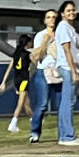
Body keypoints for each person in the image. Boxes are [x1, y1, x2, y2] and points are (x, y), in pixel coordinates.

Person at [53, 0, 79, 146]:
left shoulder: (69, 27)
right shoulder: (63, 27)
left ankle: (64, 135)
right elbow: (67, 50)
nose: (71, 12)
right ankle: (67, 136)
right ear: (62, 13)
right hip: (68, 68)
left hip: (70, 67)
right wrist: (74, 71)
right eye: (68, 11)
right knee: (68, 102)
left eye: (73, 10)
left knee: (66, 102)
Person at [28, 8, 62, 144]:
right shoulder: (40, 35)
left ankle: (63, 133)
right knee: (42, 104)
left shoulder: (61, 33)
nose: (51, 19)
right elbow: (37, 56)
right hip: (44, 71)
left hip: (59, 72)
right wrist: (46, 41)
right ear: (44, 20)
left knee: (61, 105)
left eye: (54, 17)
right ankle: (35, 132)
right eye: (48, 17)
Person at [0, 34, 35, 133]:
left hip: (17, 81)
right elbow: (38, 63)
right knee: (20, 103)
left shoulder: (16, 54)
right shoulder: (28, 54)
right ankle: (13, 123)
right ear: (27, 43)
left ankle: (34, 119)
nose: (31, 43)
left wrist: (3, 82)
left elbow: (9, 69)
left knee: (26, 102)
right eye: (30, 42)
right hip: (24, 79)